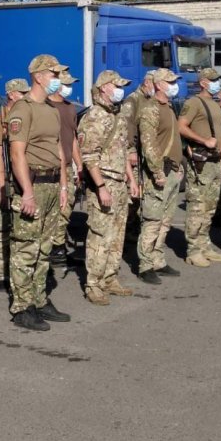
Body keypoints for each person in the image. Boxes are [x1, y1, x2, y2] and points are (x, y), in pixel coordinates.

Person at [8, 54, 71, 331]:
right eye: (54, 74)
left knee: (44, 249)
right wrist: (27, 193)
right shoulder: (23, 108)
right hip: (32, 184)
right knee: (26, 249)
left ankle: (40, 299)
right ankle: (23, 307)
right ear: (39, 76)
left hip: (52, 184)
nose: (57, 79)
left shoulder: (50, 109)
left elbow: (59, 149)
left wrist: (64, 185)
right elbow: (16, 153)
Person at [78, 70, 138, 305]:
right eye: (116, 85)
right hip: (104, 182)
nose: (120, 90)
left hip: (119, 183)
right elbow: (89, 156)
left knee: (117, 234)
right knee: (100, 235)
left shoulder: (117, 115)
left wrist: (131, 180)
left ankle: (110, 278)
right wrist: (101, 187)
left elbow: (122, 152)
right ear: (103, 88)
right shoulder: (94, 116)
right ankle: (93, 283)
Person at [178, 67, 221, 266]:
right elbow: (181, 126)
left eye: (217, 79)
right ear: (203, 82)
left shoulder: (216, 104)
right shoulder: (194, 103)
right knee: (197, 206)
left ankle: (204, 245)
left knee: (210, 207)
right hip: (201, 162)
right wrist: (202, 140)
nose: (216, 83)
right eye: (213, 80)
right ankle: (193, 250)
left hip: (215, 161)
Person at [136, 68, 184, 284]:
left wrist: (178, 168)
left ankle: (158, 259)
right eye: (170, 81)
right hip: (159, 173)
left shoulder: (169, 107)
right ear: (158, 84)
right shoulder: (150, 109)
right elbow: (149, 145)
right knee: (153, 220)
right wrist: (156, 172)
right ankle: (145, 264)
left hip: (172, 171)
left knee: (165, 220)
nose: (175, 85)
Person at [0, 78, 30, 291]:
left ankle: (13, 269)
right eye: (22, 93)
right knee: (1, 229)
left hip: (18, 183)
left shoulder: (20, 119)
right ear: (12, 94)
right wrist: (3, 188)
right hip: (2, 184)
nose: (25, 96)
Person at [47, 69, 83, 266]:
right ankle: (54, 248)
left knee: (66, 207)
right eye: (66, 84)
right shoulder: (46, 107)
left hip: (68, 167)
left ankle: (58, 247)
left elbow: (74, 139)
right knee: (55, 209)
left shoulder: (70, 108)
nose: (69, 88)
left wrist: (80, 165)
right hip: (51, 167)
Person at [121, 71, 156, 243]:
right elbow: (128, 126)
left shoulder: (150, 100)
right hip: (135, 153)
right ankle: (128, 230)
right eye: (155, 84)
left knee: (142, 193)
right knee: (133, 194)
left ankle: (135, 228)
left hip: (146, 153)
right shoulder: (133, 100)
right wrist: (131, 150)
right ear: (147, 82)